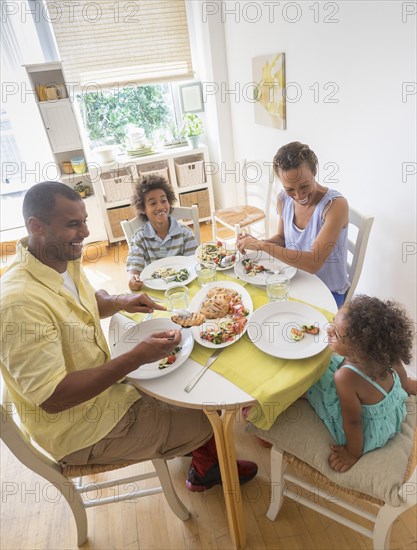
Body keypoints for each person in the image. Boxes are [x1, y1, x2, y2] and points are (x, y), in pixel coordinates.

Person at [0, 181, 257, 492]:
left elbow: (84, 302)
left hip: (111, 388)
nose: (84, 233)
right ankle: (205, 469)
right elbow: (54, 398)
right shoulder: (19, 303)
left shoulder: (59, 259)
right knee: (213, 417)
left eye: (83, 221)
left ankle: (192, 447)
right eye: (72, 224)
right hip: (83, 427)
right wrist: (136, 358)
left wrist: (118, 301)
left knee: (199, 386)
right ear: (36, 226)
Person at [306, 295, 416, 472]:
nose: (328, 330)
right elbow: (399, 367)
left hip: (368, 430)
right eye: (333, 321)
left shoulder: (345, 377)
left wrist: (352, 453)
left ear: (359, 350)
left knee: (311, 382)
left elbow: (353, 421)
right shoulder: (383, 351)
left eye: (336, 334)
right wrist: (406, 384)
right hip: (391, 409)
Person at [236, 142, 350, 307]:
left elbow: (313, 263)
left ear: (314, 172)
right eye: (290, 189)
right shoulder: (283, 199)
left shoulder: (335, 206)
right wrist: (255, 242)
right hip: (295, 281)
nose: (298, 195)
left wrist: (262, 246)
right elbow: (282, 239)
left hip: (328, 292)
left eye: (304, 186)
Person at [127, 175, 198, 291]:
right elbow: (133, 271)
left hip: (184, 287)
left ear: (169, 202)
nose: (160, 207)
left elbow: (194, 263)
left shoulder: (185, 233)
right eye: (153, 203)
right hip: (155, 290)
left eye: (163, 201)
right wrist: (132, 278)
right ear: (143, 209)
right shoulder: (139, 238)